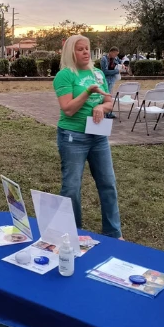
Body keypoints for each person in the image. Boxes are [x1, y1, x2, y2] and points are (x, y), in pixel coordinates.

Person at [53, 35, 121, 238]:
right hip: (73, 137)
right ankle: (73, 233)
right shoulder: (65, 76)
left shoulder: (98, 74)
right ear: (70, 53)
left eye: (87, 49)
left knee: (108, 183)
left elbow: (109, 102)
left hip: (98, 136)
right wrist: (87, 93)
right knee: (72, 187)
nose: (85, 52)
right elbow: (68, 110)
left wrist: (101, 106)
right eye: (79, 49)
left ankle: (113, 233)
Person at [99, 47, 121, 117]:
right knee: (105, 96)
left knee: (109, 96)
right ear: (111, 52)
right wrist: (117, 71)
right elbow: (104, 72)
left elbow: (119, 63)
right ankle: (105, 112)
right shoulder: (104, 59)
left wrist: (121, 65)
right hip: (105, 79)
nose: (115, 56)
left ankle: (108, 112)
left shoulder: (115, 59)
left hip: (112, 79)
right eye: (115, 54)